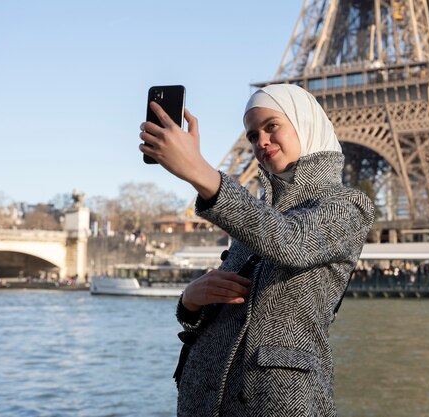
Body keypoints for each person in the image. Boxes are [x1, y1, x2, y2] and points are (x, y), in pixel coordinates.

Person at [139, 83, 374, 416]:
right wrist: (191, 302)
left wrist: (201, 173)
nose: (261, 141)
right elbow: (228, 315)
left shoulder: (348, 206)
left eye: (271, 126)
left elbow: (291, 241)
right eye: (252, 136)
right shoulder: (254, 214)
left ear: (304, 123)